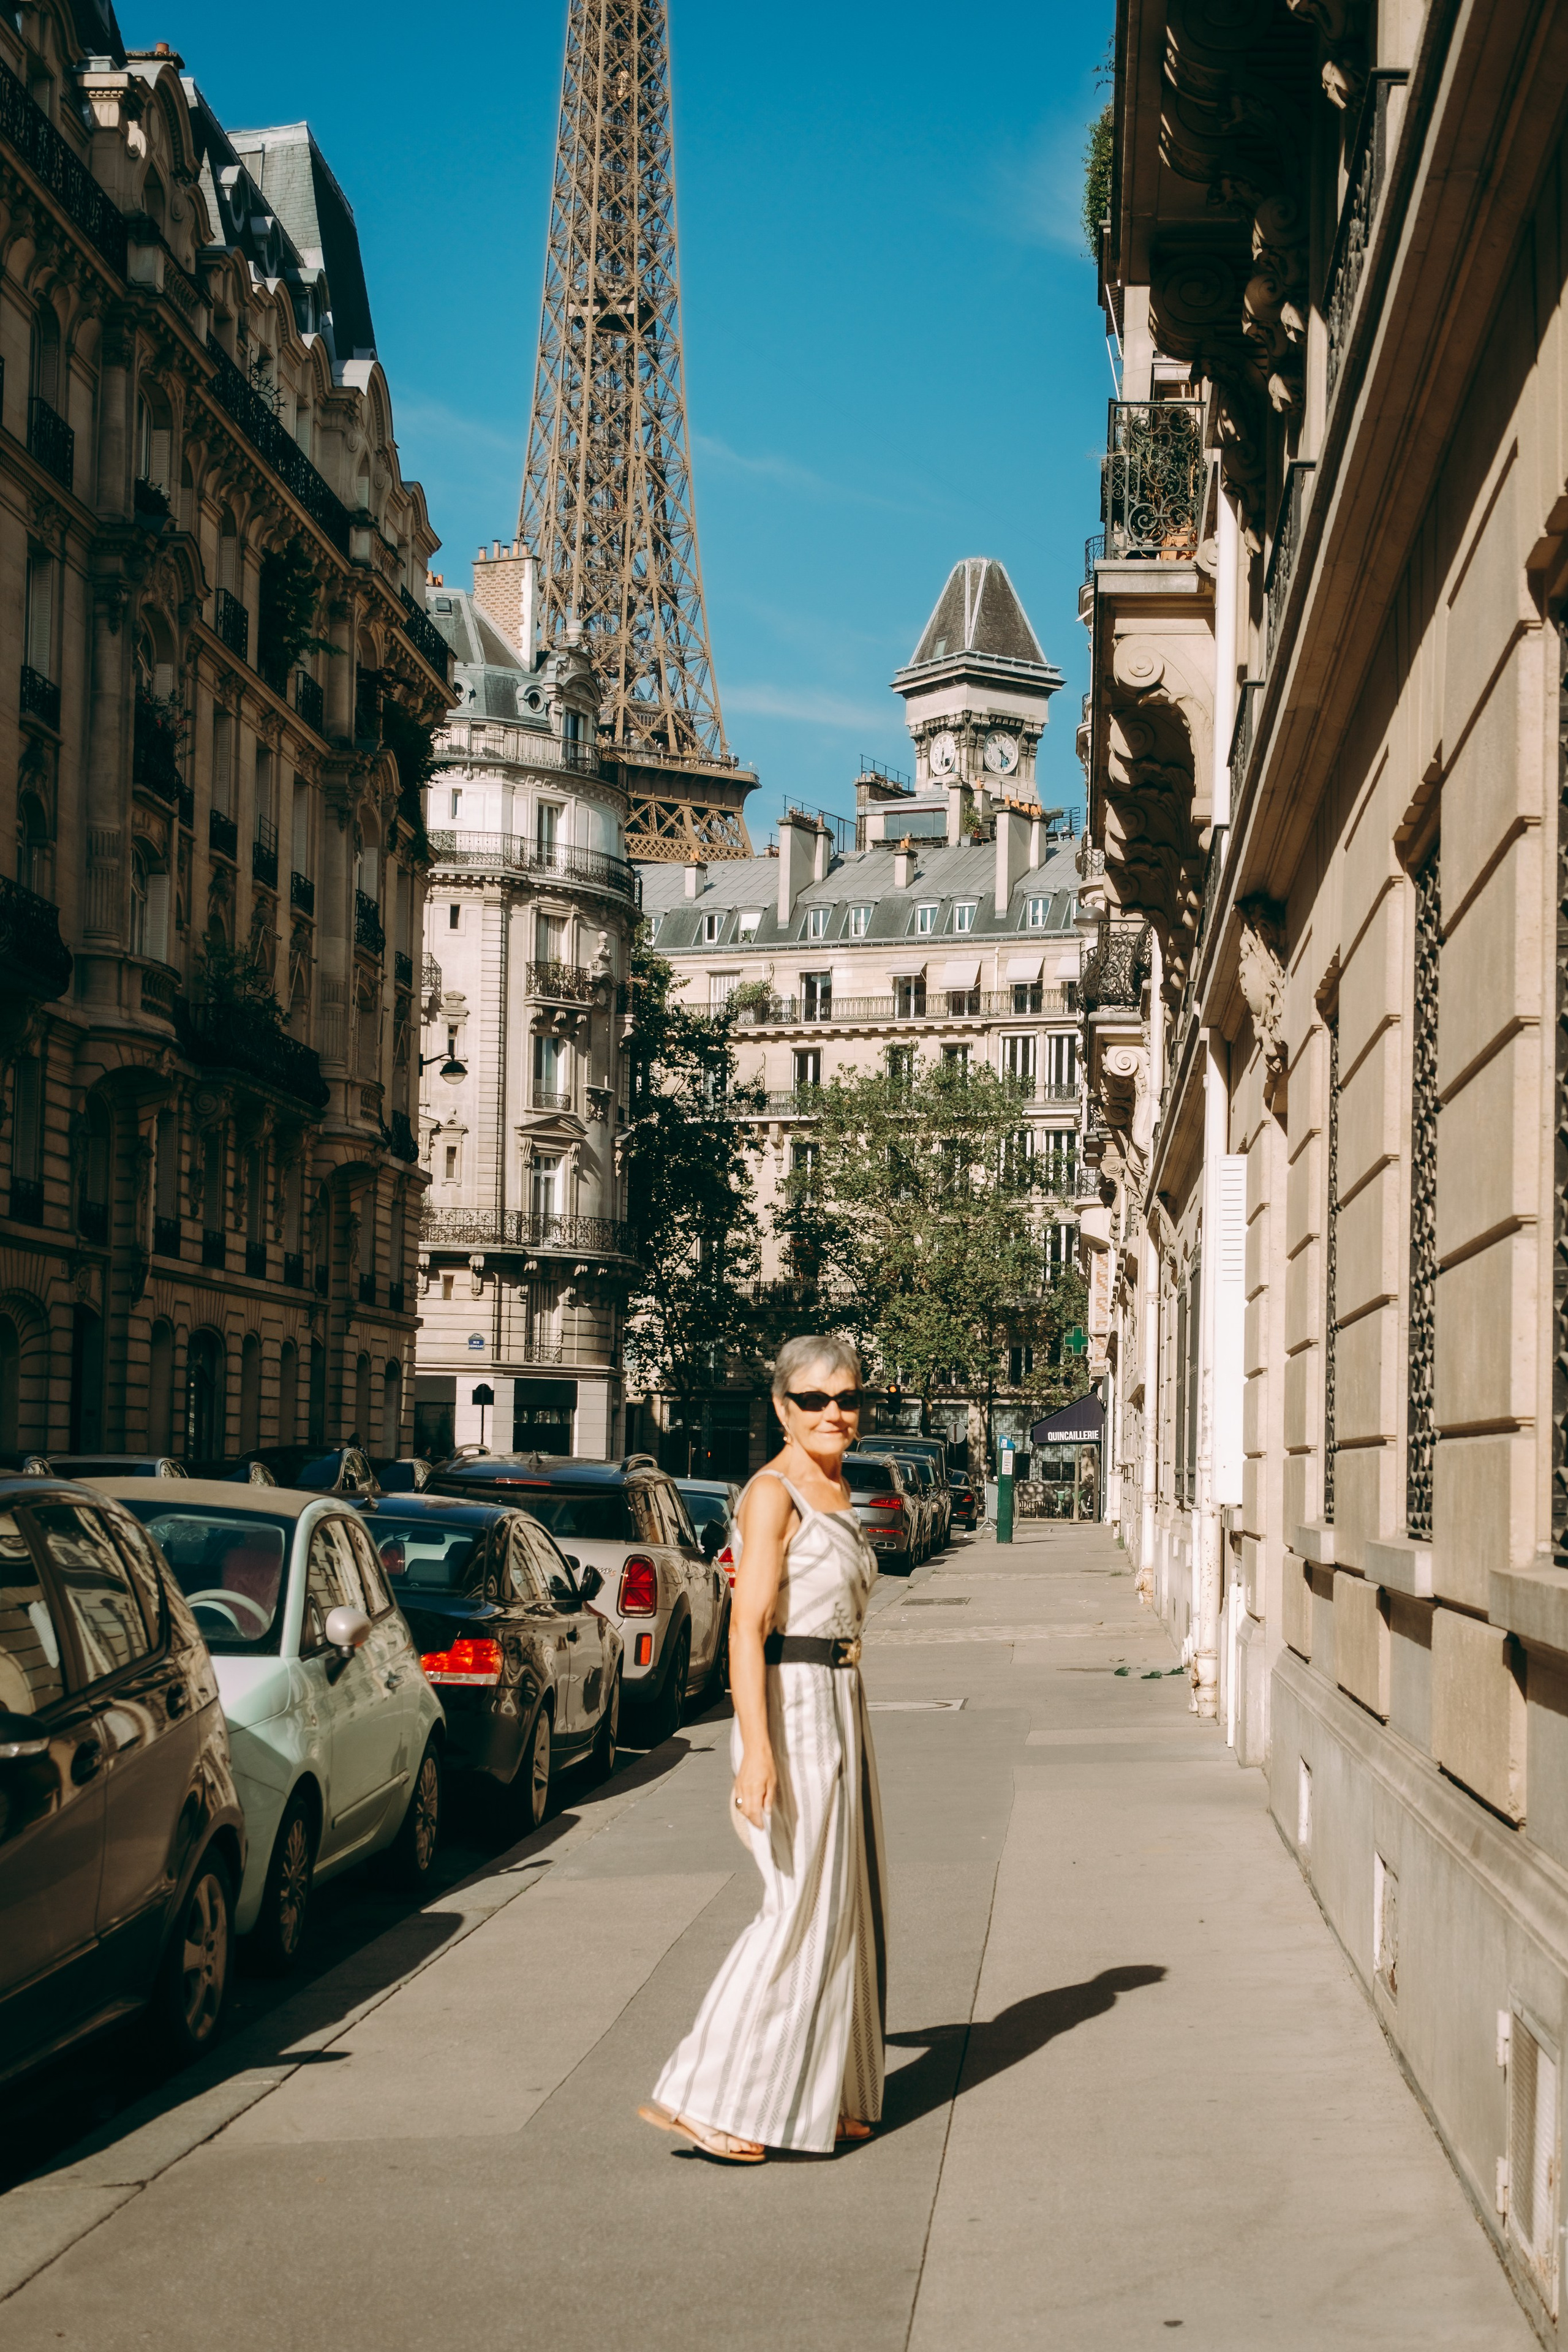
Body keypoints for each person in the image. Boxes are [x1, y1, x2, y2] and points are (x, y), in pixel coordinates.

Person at [639, 1335, 886, 2163]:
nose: (834, 1415)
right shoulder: (773, 1492)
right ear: (782, 1407)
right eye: (814, 1401)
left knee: (843, 1899)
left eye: (846, 1398)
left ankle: (827, 2094)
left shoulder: (837, 1484)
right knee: (796, 1902)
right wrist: (756, 1750)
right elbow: (747, 1629)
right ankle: (711, 2098)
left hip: (841, 1698)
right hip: (795, 1703)